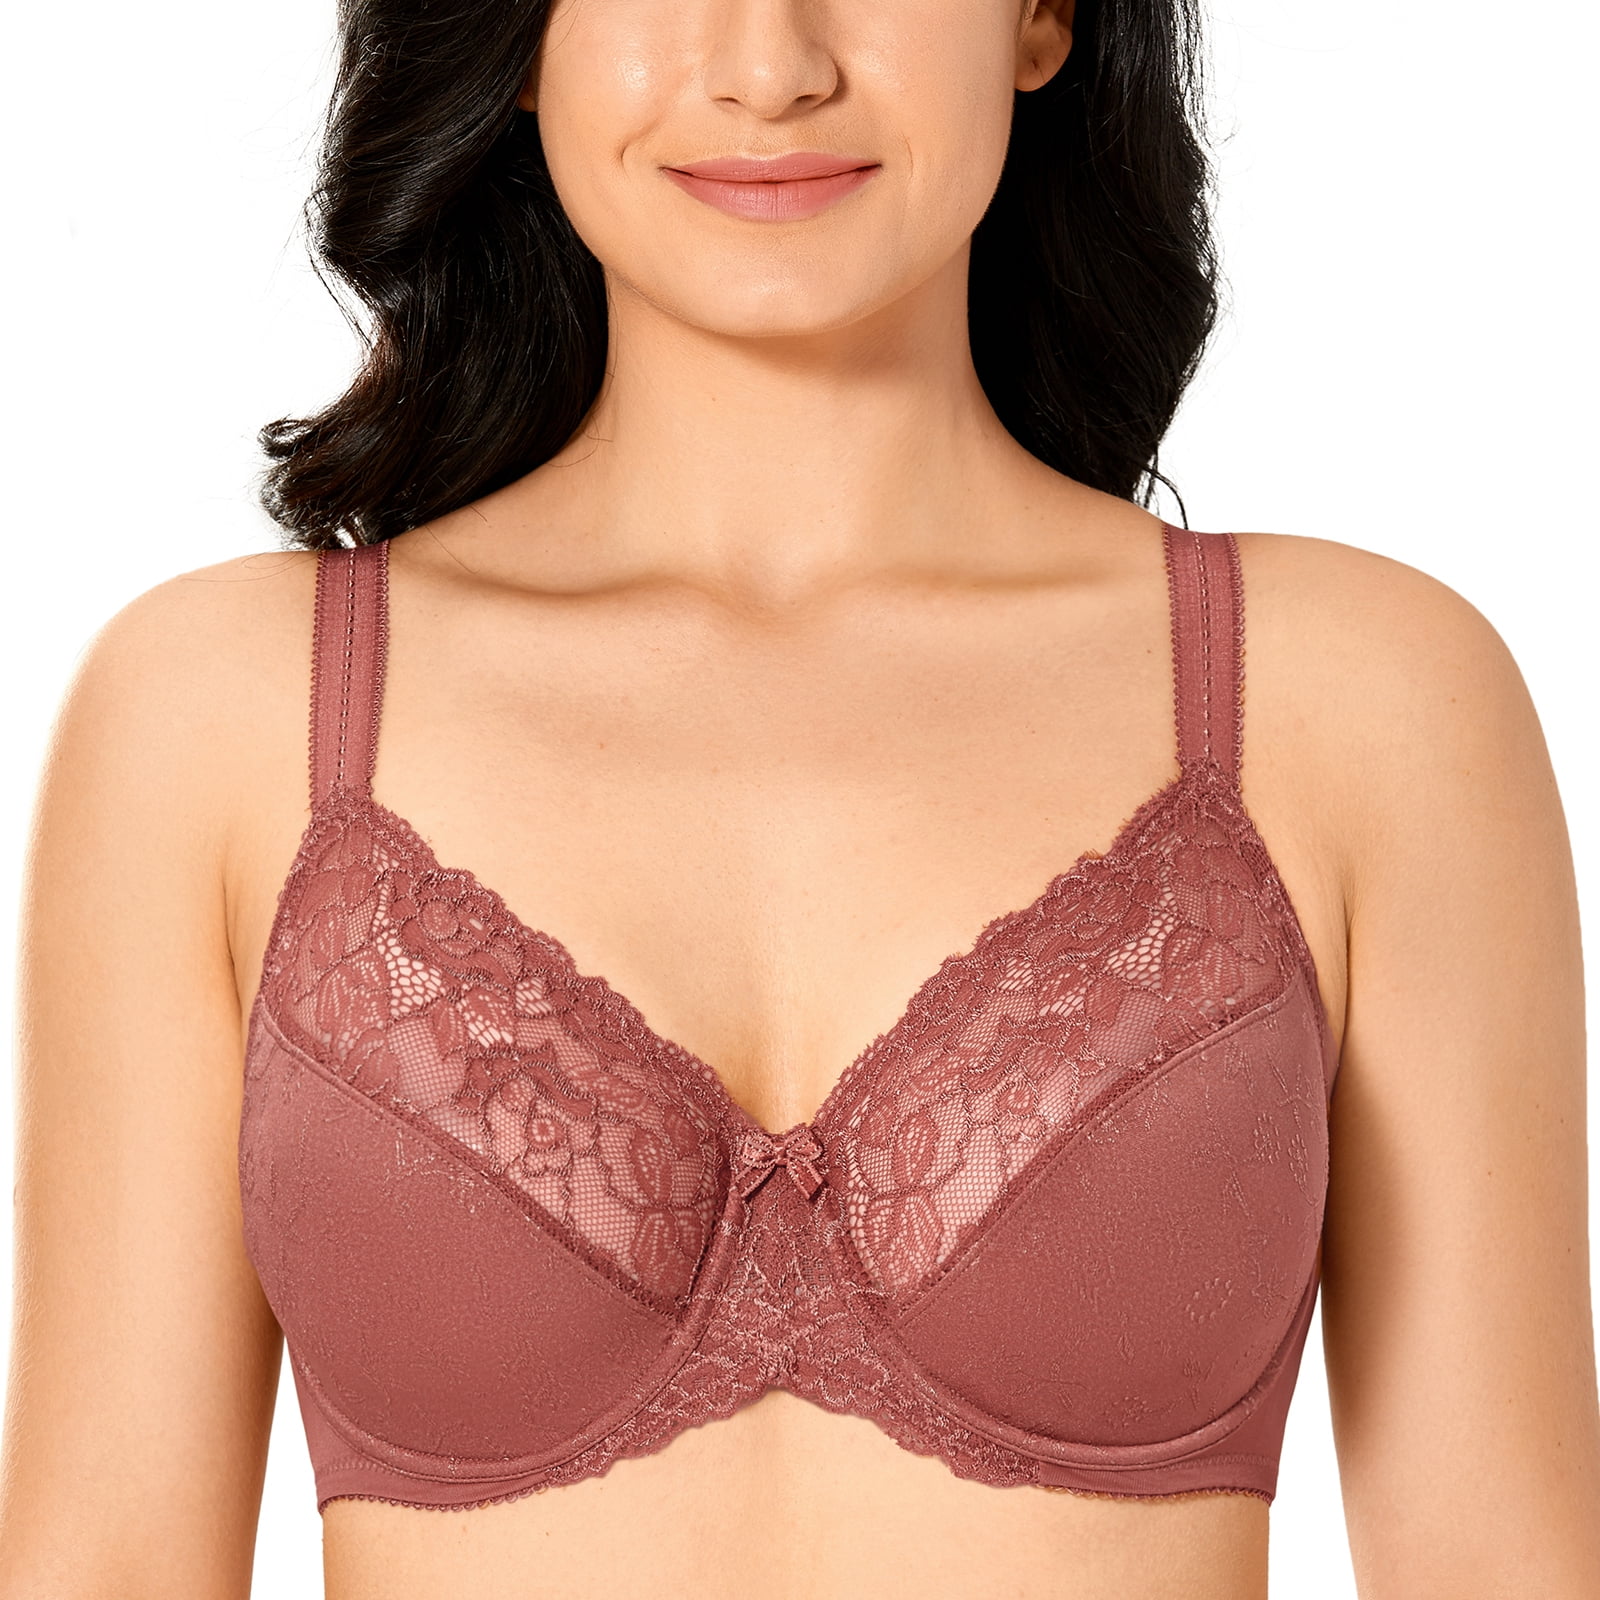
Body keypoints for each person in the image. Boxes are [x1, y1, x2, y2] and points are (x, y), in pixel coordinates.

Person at [2, 0, 1597, 1594]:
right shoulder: (227, 721)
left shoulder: (1350, 704)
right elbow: (108, 1562)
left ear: (1043, 15)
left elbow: (1501, 1561)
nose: (770, 67)